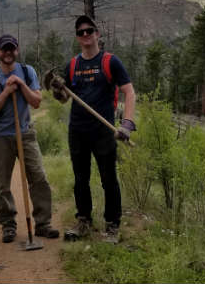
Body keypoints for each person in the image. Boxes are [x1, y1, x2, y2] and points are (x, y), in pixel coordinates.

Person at [50, 15, 136, 244]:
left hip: (103, 131)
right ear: (78, 38)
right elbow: (62, 99)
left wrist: (126, 124)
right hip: (77, 131)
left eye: (89, 30)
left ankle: (112, 225)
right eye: (81, 32)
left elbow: (129, 92)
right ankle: (84, 221)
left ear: (97, 34)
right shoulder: (72, 64)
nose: (86, 35)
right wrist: (57, 89)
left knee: (108, 178)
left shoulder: (110, 62)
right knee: (80, 178)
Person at [0, 34, 60, 244]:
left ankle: (43, 224)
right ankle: (8, 226)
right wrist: (6, 91)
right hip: (0, 137)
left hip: (25, 133)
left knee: (39, 178)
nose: (8, 52)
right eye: (4, 49)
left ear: (17, 50)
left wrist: (21, 84)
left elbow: (36, 102)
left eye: (11, 48)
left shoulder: (27, 71)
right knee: (2, 185)